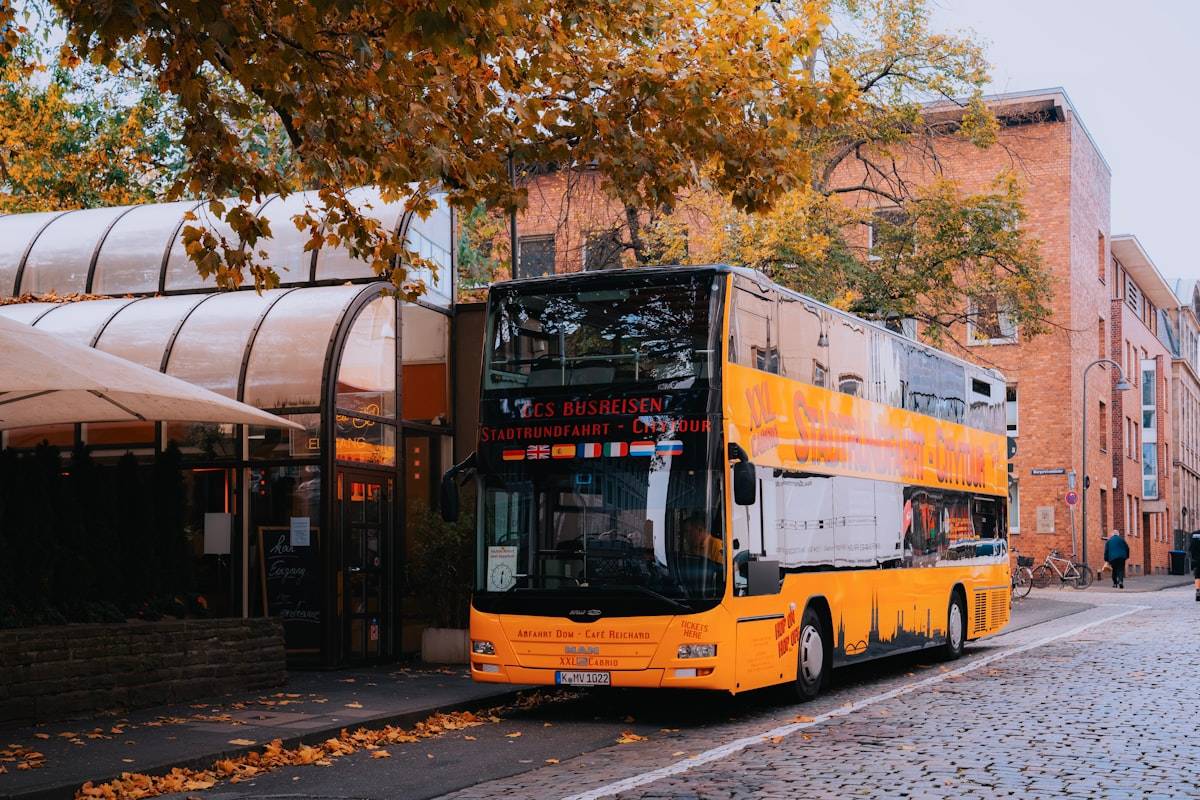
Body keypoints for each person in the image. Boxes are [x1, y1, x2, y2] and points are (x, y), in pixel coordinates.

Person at [1189, 531, 1200, 602]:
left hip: (1196, 558)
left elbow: (1191, 548)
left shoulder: (1194, 534)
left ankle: (1198, 591)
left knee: (1198, 575)